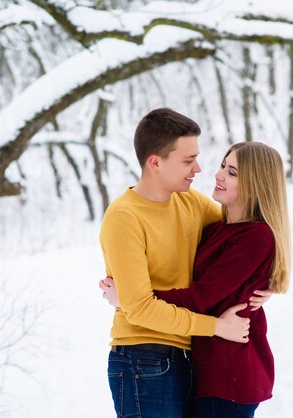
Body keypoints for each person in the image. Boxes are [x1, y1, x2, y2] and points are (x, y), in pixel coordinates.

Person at [99, 108, 271, 418]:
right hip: (143, 357)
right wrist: (216, 327)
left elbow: (246, 234)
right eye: (188, 161)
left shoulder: (190, 202)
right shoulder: (125, 218)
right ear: (156, 162)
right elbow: (140, 307)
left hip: (188, 356)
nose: (199, 169)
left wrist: (263, 282)